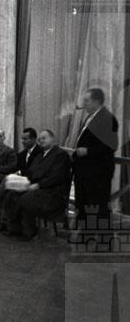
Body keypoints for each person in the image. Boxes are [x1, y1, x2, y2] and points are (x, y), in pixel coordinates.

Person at [4, 129, 72, 240]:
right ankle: (15, 229)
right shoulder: (40, 155)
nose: (41, 141)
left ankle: (29, 231)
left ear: (52, 139)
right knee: (11, 194)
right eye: (39, 139)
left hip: (53, 193)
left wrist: (38, 185)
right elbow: (31, 172)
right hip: (37, 188)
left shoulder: (61, 155)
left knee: (26, 198)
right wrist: (21, 181)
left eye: (44, 138)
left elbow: (55, 177)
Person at [73, 88, 119, 223]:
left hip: (98, 173)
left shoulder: (107, 118)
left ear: (97, 101)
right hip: (85, 171)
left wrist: (88, 151)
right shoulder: (90, 117)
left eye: (87, 101)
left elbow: (112, 145)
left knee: (98, 207)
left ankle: (102, 235)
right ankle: (86, 233)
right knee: (84, 204)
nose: (84, 104)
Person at [0, 127, 43, 232]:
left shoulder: (40, 152)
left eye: (25, 139)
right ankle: (6, 222)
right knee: (7, 191)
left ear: (34, 139)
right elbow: (17, 167)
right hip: (22, 181)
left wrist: (19, 173)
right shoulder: (22, 154)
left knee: (7, 180)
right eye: (22, 139)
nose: (23, 141)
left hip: (34, 183)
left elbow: (35, 171)